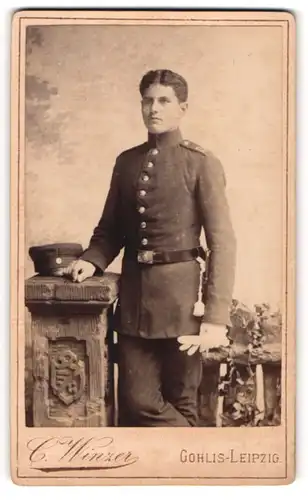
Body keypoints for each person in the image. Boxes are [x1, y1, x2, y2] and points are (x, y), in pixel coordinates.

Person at [66, 69, 236, 427]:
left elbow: (223, 243)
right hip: (135, 303)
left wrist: (215, 318)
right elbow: (110, 228)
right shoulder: (126, 162)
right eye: (147, 100)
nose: (153, 108)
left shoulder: (201, 163)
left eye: (163, 101)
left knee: (182, 400)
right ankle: (197, 451)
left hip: (182, 305)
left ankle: (182, 471)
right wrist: (92, 260)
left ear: (182, 108)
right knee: (137, 402)